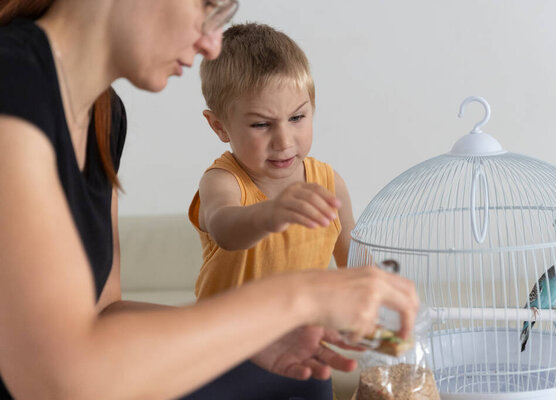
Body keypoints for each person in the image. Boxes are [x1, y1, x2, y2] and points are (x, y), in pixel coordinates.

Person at [0, 1, 420, 399]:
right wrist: (298, 298)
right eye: (207, 6)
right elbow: (55, 379)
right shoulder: (13, 79)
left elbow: (103, 313)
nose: (211, 42)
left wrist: (256, 334)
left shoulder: (105, 115)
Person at [187, 22, 355, 398]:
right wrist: (270, 214)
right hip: (222, 357)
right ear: (219, 126)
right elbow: (225, 229)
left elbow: (356, 263)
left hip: (305, 356)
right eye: (262, 124)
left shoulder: (329, 183)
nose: (284, 140)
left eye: (297, 118)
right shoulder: (223, 181)